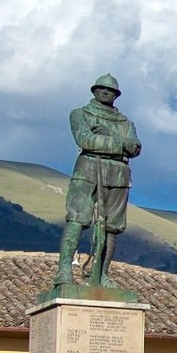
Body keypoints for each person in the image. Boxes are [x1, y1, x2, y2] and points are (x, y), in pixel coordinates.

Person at [55, 74, 141, 289]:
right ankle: (64, 271)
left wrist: (107, 138)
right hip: (88, 169)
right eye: (101, 88)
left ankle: (101, 273)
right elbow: (85, 140)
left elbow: (136, 148)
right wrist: (120, 144)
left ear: (116, 95)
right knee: (77, 218)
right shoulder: (80, 114)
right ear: (94, 90)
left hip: (119, 174)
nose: (105, 92)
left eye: (110, 90)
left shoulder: (126, 123)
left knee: (112, 227)